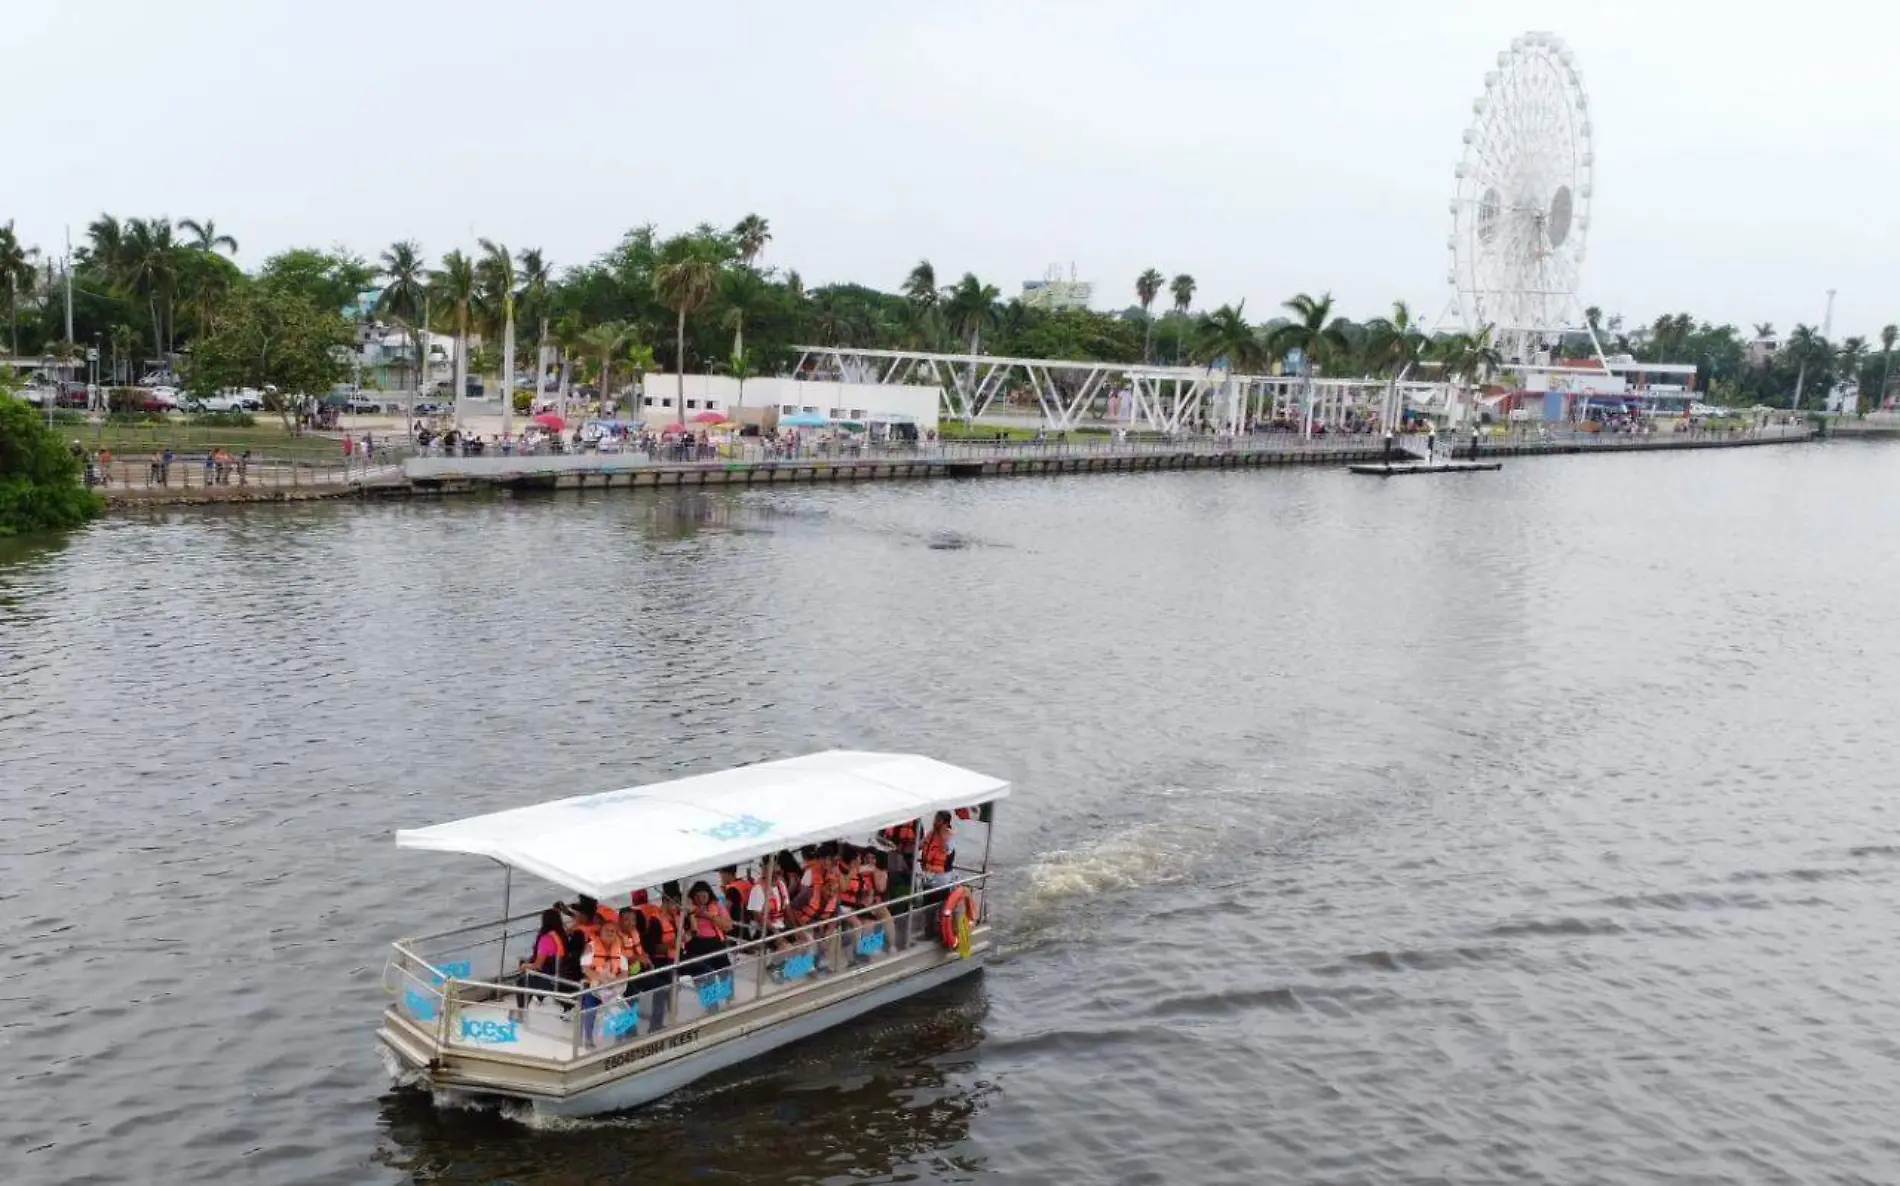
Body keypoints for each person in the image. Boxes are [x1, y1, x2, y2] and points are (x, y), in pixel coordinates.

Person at [579, 914, 637, 1047]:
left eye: (613, 931)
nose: (611, 933)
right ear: (600, 932)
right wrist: (601, 979)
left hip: (613, 987)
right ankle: (588, 1039)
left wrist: (615, 981)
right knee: (590, 1007)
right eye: (607, 930)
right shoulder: (591, 947)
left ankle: (619, 1039)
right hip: (593, 986)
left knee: (620, 1006)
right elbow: (585, 969)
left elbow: (625, 972)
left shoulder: (619, 949)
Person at [630, 886, 682, 1034]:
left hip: (672, 960)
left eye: (678, 903)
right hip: (658, 962)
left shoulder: (676, 918)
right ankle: (656, 1023)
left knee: (671, 988)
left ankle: (668, 1019)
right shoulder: (655, 921)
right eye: (675, 903)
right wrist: (672, 945)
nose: (677, 907)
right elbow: (652, 948)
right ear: (665, 902)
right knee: (664, 988)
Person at [681, 881, 734, 1009]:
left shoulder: (716, 906)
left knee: (725, 971)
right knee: (706, 976)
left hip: (715, 943)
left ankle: (729, 997)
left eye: (704, 896)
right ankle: (711, 1005)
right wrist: (691, 911)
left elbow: (728, 927)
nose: (700, 900)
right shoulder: (687, 909)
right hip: (696, 945)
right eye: (697, 897)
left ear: (709, 895)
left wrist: (707, 915)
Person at [515, 908, 568, 1017]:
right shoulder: (562, 935)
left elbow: (538, 965)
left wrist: (524, 966)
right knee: (528, 968)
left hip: (551, 980)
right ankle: (539, 996)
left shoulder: (546, 939)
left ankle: (521, 1013)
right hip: (563, 974)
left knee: (521, 981)